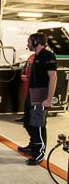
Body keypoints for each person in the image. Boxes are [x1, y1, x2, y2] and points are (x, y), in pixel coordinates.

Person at [17, 32, 57, 166]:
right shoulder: (36, 56)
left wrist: (49, 99)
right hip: (32, 93)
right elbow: (40, 75)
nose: (27, 44)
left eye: (29, 41)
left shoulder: (48, 56)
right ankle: (33, 145)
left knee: (38, 125)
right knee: (28, 121)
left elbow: (53, 77)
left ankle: (39, 152)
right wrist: (27, 78)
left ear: (36, 42)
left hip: (41, 95)